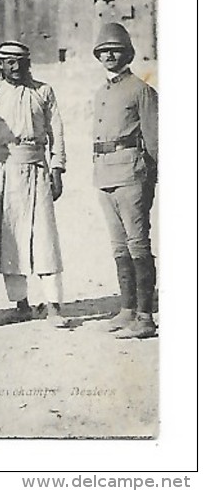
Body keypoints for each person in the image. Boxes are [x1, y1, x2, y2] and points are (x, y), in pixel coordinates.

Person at [0, 41, 68, 326]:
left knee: (45, 239)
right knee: (10, 240)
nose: (16, 68)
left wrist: (58, 169)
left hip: (37, 171)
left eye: (21, 62)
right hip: (2, 174)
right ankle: (21, 304)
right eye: (9, 62)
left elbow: (56, 134)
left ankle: (54, 307)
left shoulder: (44, 92)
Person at [92, 22, 158, 339]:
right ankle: (127, 310)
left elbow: (155, 140)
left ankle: (145, 316)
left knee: (137, 244)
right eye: (104, 50)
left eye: (115, 49)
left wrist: (152, 181)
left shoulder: (140, 90)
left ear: (127, 53)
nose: (109, 55)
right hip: (104, 173)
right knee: (119, 246)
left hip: (132, 173)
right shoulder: (101, 92)